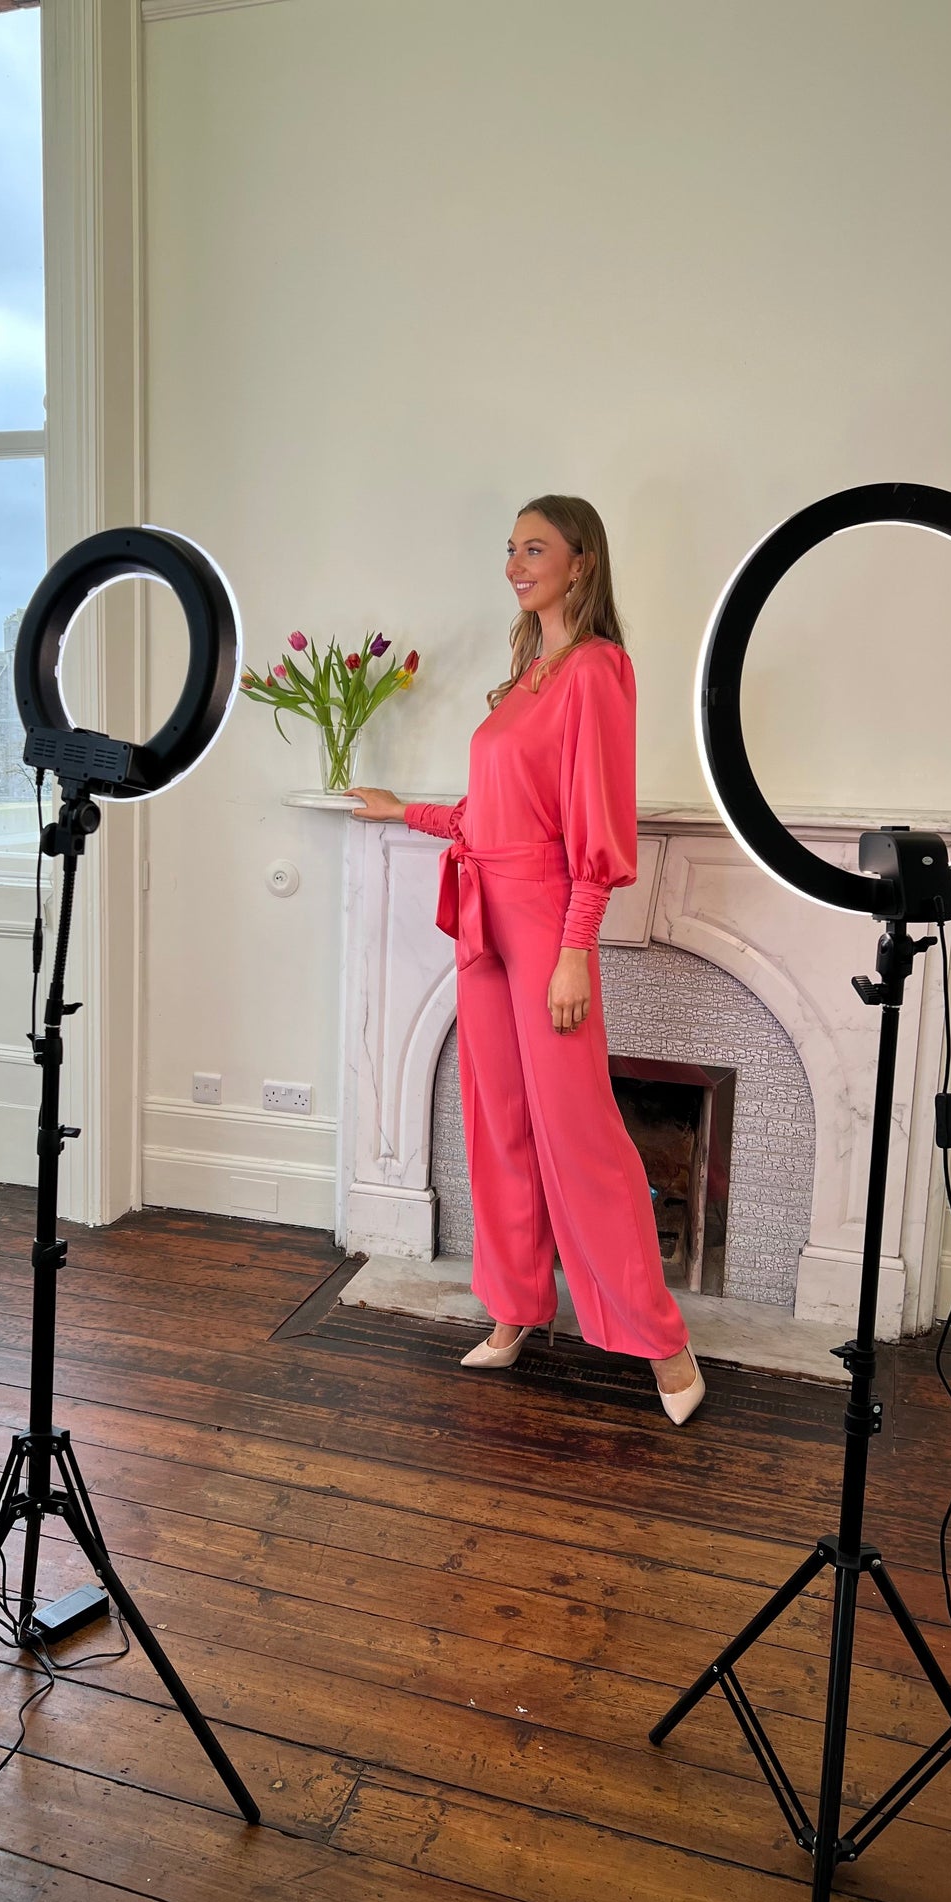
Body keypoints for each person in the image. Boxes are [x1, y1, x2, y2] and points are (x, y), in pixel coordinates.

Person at [348, 494, 704, 1424]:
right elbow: (486, 817)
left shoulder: (596, 670)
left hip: (547, 919)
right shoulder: (523, 676)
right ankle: (513, 1310)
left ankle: (664, 1344)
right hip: (484, 918)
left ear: (581, 561)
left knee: (578, 1130)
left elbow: (596, 825)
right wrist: (404, 814)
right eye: (509, 547)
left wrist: (575, 947)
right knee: (495, 1120)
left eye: (534, 547)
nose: (516, 562)